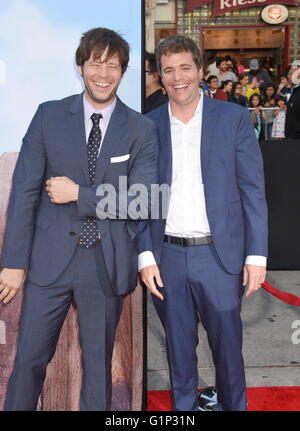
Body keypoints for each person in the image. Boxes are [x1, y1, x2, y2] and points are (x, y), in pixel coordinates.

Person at [0, 27, 158, 411]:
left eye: (113, 66)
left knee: (98, 368)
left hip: (104, 265)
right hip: (48, 260)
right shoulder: (48, 115)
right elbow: (24, 191)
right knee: (29, 362)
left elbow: (142, 202)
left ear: (124, 71)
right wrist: (13, 262)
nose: (103, 74)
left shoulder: (141, 129)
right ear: (81, 65)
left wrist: (79, 195)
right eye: (96, 63)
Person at [139, 35, 268, 411]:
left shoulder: (234, 118)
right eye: (168, 70)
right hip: (166, 258)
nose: (178, 77)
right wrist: (145, 254)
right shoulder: (147, 128)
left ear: (199, 71)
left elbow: (252, 191)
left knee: (228, 349)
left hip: (219, 256)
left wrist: (256, 255)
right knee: (178, 349)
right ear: (160, 77)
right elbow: (141, 198)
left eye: (185, 68)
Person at [285, 60, 300, 139]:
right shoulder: (293, 91)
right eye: (288, 74)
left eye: (291, 74)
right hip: (291, 137)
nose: (288, 76)